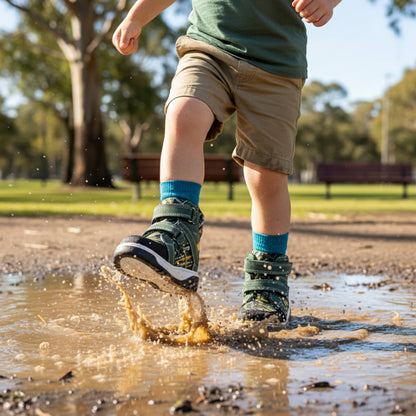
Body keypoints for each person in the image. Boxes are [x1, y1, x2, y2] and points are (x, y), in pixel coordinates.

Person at [112, 0, 342, 325]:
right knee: (183, 113)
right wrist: (136, 17)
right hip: (209, 47)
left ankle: (268, 280)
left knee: (265, 175)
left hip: (276, 64)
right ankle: (177, 236)